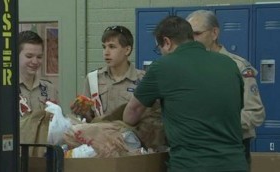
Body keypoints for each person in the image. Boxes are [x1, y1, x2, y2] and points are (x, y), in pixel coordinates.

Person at [123, 15, 248, 172]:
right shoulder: (229, 64)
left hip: (190, 165)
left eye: (159, 48)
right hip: (235, 163)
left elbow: (131, 113)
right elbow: (236, 107)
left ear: (167, 42)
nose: (160, 53)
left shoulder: (162, 66)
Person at [186, 10, 265, 167]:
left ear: (214, 33)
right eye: (189, 35)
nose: (192, 40)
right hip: (198, 149)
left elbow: (255, 113)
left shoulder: (238, 66)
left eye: (197, 34)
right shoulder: (187, 66)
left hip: (232, 147)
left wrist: (218, 125)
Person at [74, 25, 145, 122]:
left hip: (130, 135)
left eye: (112, 47)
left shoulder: (143, 80)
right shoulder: (93, 79)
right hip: (99, 134)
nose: (106, 52)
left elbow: (150, 120)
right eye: (104, 47)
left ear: (127, 50)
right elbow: (89, 121)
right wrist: (82, 113)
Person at [19, 30, 59, 157]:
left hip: (42, 156)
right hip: (14, 156)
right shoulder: (5, 89)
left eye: (39, 57)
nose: (35, 62)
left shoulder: (49, 89)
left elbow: (56, 124)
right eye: (29, 56)